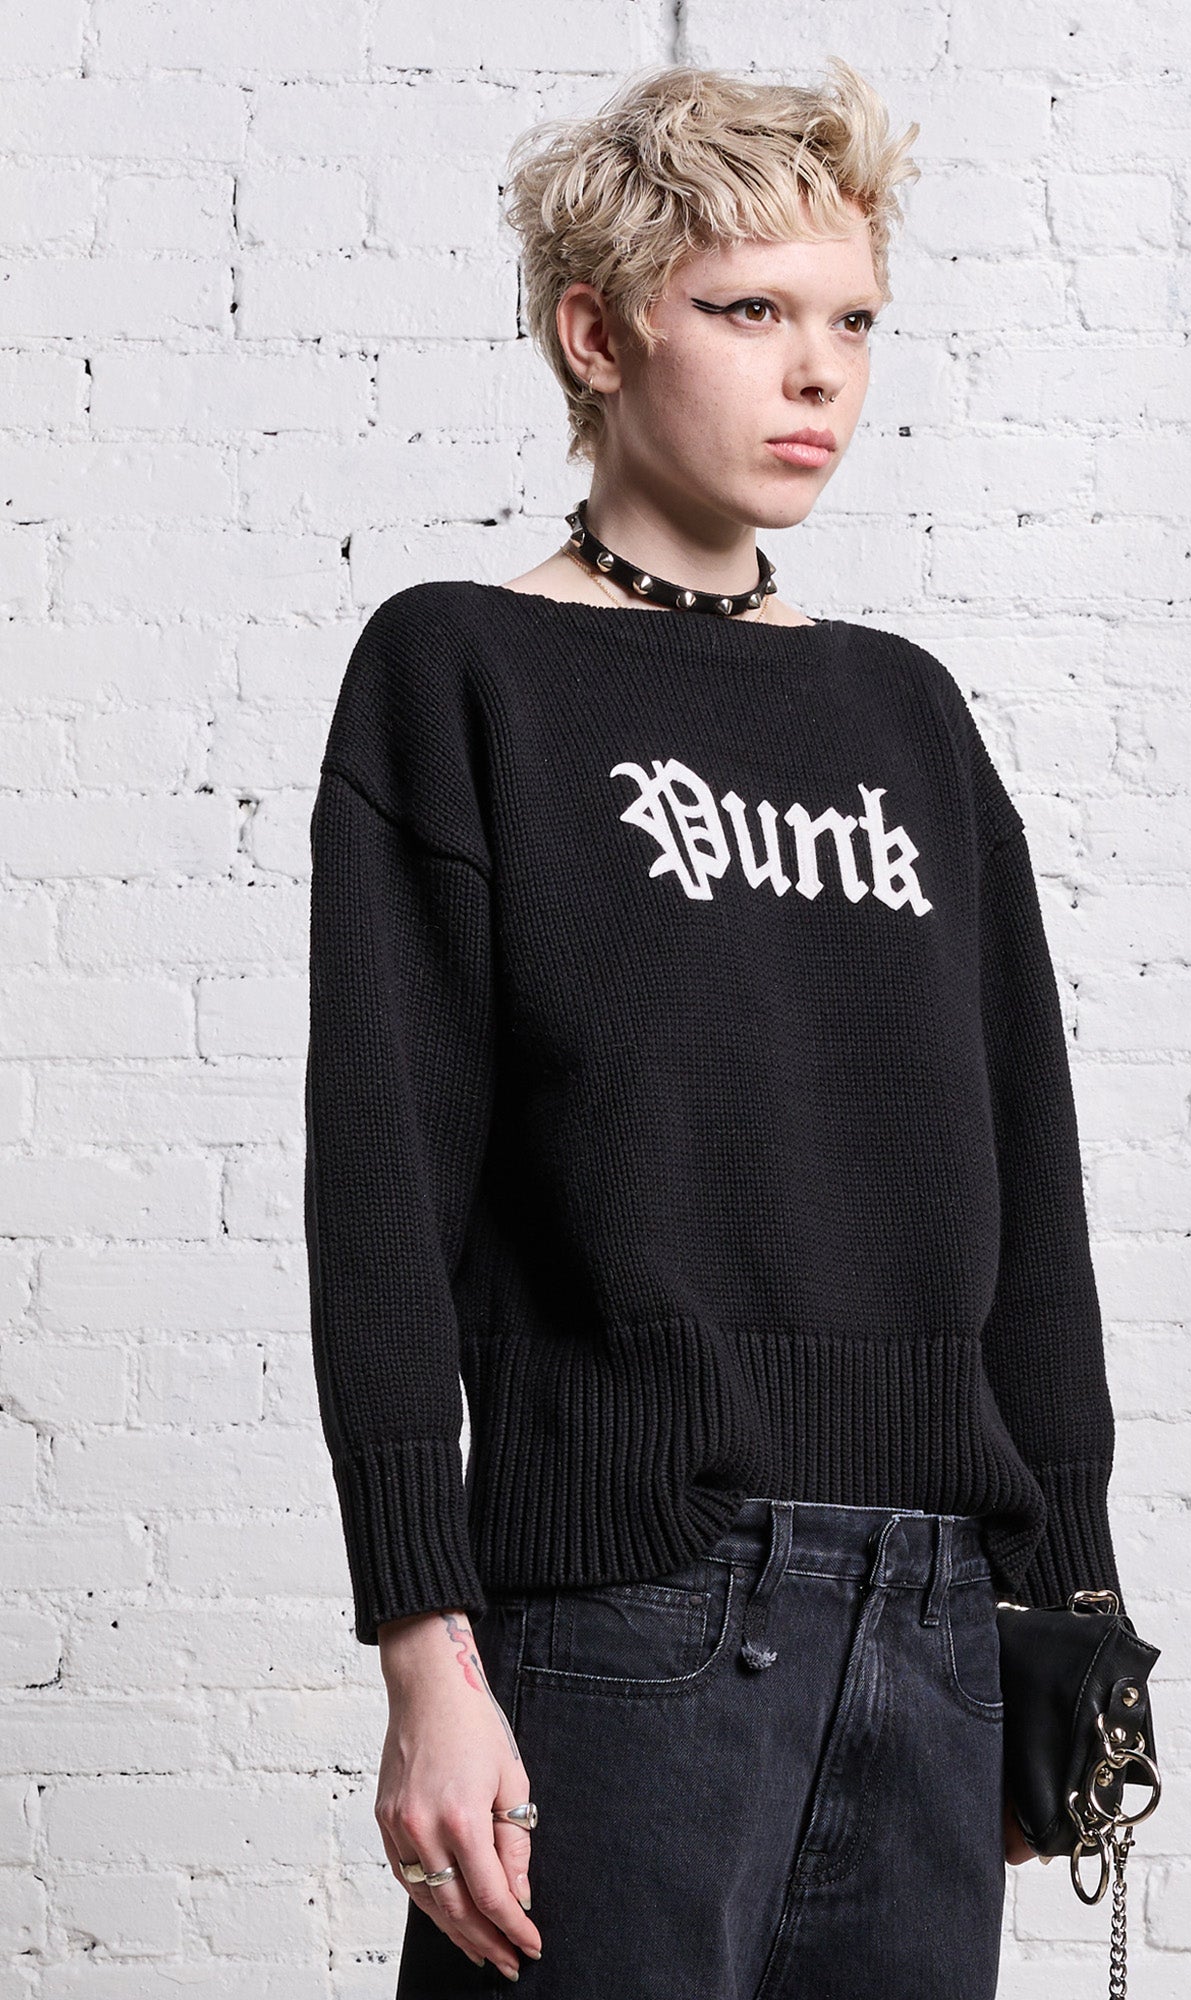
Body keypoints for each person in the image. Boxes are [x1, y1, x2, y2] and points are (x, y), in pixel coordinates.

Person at [303, 56, 1126, 1999]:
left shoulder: (906, 714)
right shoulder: (462, 671)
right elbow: (385, 1189)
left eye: (852, 320)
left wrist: (1068, 1596)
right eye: (750, 310)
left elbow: (1029, 1188)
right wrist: (426, 1646)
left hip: (931, 1625)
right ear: (597, 335)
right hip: (628, 1614)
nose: (817, 371)